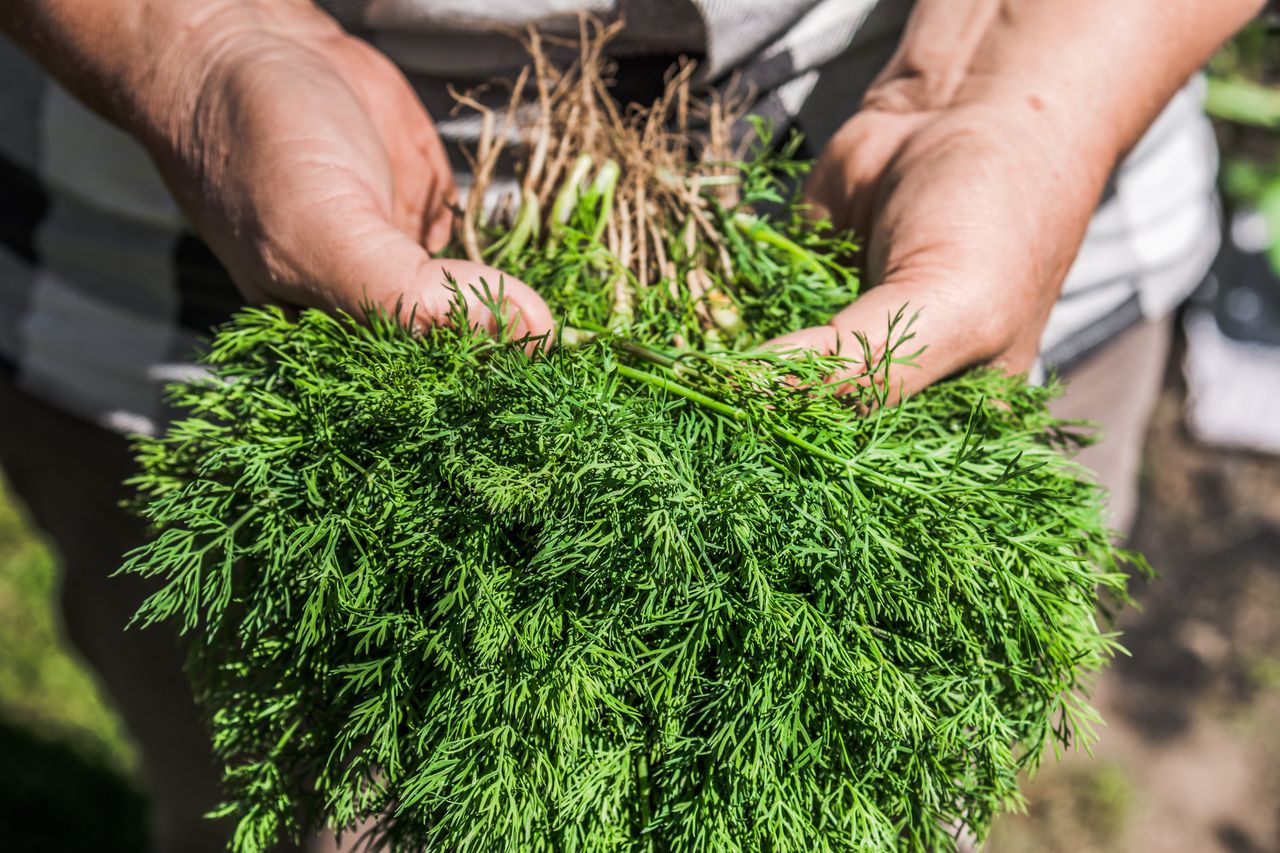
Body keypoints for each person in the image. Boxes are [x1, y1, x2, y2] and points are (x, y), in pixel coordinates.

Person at [0, 1, 1263, 850]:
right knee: (313, 798)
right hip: (199, 248)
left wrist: (1001, 92)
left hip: (974, 209)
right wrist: (200, 38)